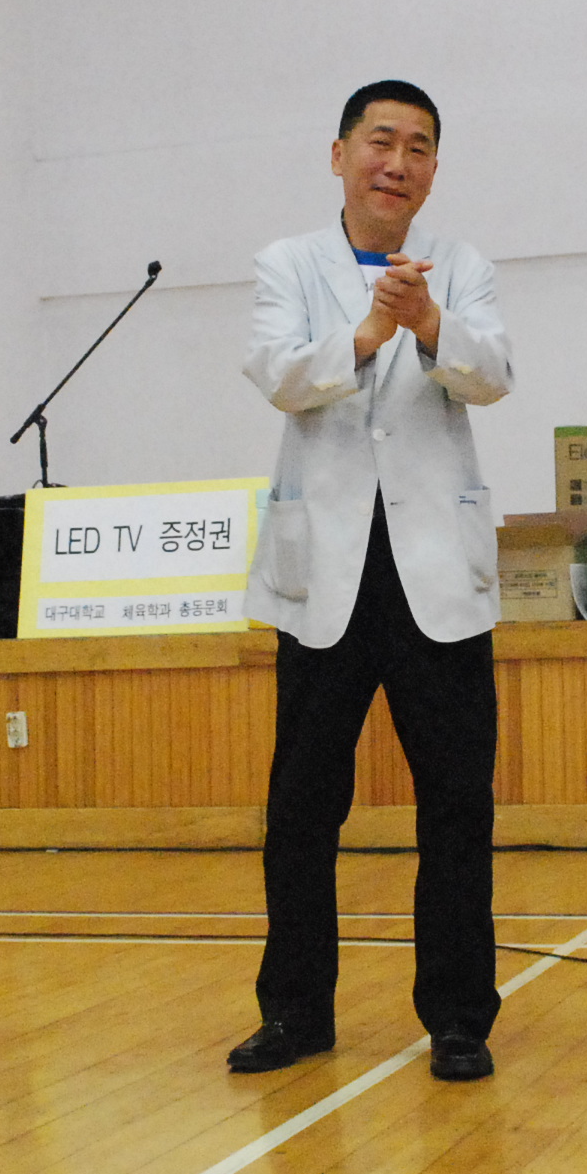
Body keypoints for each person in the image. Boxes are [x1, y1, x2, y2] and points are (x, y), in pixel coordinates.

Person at [233, 81, 515, 1082]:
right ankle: (295, 1011)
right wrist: (365, 335)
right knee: (302, 808)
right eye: (381, 141)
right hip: (326, 577)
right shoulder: (287, 263)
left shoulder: (464, 266)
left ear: (433, 170)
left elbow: (491, 375)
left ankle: (459, 1018)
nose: (397, 163)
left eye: (419, 148)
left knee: (456, 805)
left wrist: (429, 321)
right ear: (340, 153)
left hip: (436, 573)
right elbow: (278, 375)